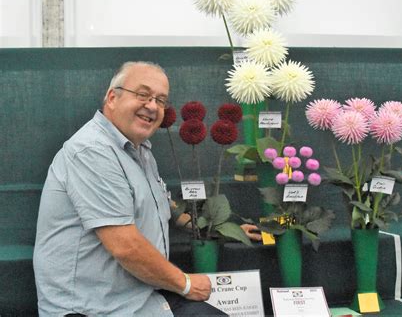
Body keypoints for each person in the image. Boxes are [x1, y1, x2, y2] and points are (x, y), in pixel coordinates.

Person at [33, 61, 261, 316]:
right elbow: (125, 246)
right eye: (143, 95)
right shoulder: (92, 152)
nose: (152, 106)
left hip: (140, 295)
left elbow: (165, 206)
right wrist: (186, 284)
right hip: (96, 307)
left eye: (161, 100)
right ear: (112, 98)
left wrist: (218, 229)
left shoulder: (139, 151)